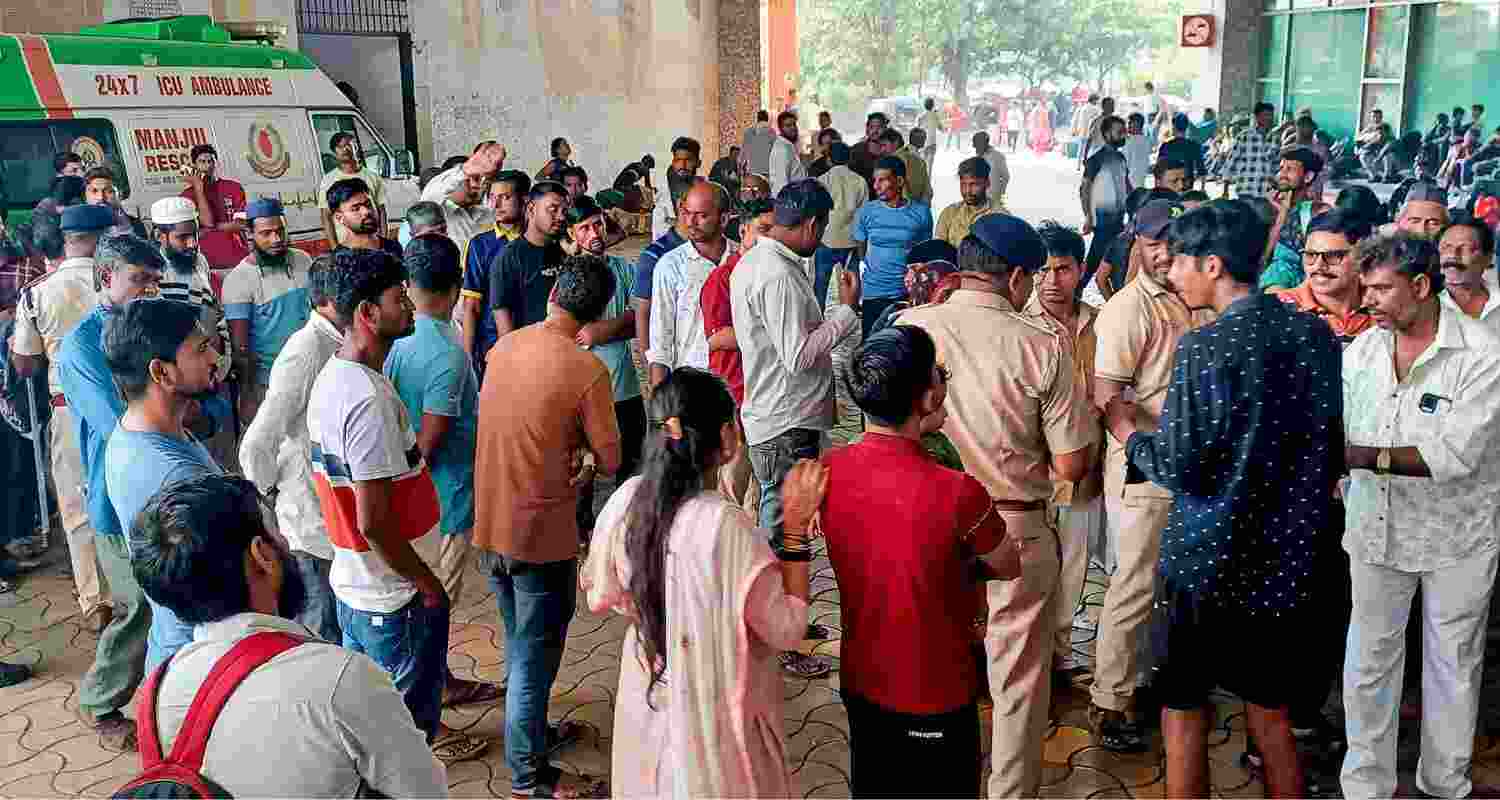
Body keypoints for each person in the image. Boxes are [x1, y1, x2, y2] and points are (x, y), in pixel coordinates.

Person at [1103, 198, 1342, 798]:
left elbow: (1184, 466)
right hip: (1288, 561)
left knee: (1183, 707)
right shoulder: (1314, 333)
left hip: (1206, 563)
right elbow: (1328, 446)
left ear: (1212, 266)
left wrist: (1129, 431)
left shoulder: (1207, 348)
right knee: (1270, 712)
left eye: (1179, 259)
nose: (1170, 269)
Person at [900, 214, 1095, 797]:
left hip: (923, 523)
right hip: (1014, 528)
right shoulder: (1042, 346)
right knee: (1018, 684)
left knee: (930, 669)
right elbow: (1070, 466)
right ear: (1015, 277)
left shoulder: (911, 327)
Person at [127, 474, 449, 797]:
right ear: (262, 555)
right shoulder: (341, 681)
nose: (284, 541)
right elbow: (425, 793)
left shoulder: (157, 691)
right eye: (274, 528)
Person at [581, 368, 817, 796]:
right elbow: (786, 628)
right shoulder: (725, 527)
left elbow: (603, 593)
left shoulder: (626, 501)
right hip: (712, 708)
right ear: (728, 438)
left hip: (649, 690)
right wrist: (795, 530)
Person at [819, 324, 1018, 796]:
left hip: (862, 678)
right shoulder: (958, 492)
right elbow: (1008, 564)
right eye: (939, 375)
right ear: (928, 398)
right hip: (937, 689)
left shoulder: (828, 471)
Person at [1340, 233, 1500, 799]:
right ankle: (1366, 785)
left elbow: (1454, 456)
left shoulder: (1482, 355)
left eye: (1382, 289)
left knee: (1453, 662)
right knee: (1369, 661)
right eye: (1367, 288)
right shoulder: (1361, 353)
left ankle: (1444, 782)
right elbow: (1341, 431)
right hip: (1375, 529)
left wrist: (1360, 458)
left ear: (1422, 286)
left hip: (1457, 534)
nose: (1369, 300)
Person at [474, 259, 621, 798]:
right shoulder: (586, 371)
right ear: (598, 312)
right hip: (539, 535)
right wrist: (580, 451)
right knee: (535, 657)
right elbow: (610, 458)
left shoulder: (503, 347)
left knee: (519, 645)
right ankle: (528, 777)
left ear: (553, 291)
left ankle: (530, 740)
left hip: (489, 525)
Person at [305, 248, 457, 753]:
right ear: (369, 314)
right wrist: (427, 583)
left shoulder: (338, 376)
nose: (410, 305)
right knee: (405, 744)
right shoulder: (365, 399)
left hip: (362, 590)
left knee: (375, 733)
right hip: (392, 601)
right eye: (399, 298)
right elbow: (373, 522)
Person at [1089, 196, 1210, 754]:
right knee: (1134, 585)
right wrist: (1149, 446)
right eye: (1156, 241)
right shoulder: (1128, 309)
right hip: (1146, 468)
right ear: (1137, 239)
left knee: (1179, 586)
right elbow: (1107, 397)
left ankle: (1159, 679)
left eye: (1174, 240)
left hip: (1195, 468)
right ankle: (1111, 699)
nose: (1166, 252)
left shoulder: (1196, 296)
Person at [731, 180, 860, 680]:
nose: (823, 237)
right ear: (810, 224)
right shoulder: (776, 275)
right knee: (784, 535)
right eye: (822, 228)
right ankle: (779, 638)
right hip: (785, 422)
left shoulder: (766, 264)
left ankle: (783, 624)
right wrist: (845, 313)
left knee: (782, 528)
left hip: (781, 417)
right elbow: (799, 354)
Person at [383, 235, 505, 722]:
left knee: (423, 603)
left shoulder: (393, 336)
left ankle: (439, 684)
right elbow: (429, 444)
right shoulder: (447, 353)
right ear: (457, 287)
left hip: (410, 495)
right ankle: (421, 712)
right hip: (443, 500)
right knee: (433, 606)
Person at [56, 232, 165, 751]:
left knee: (171, 597)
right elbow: (115, 421)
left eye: (154, 279)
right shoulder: (81, 346)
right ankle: (100, 701)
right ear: (106, 278)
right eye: (139, 279)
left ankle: (169, 698)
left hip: (161, 481)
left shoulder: (149, 328)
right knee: (136, 604)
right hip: (114, 493)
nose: (150, 289)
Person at [101, 295, 223, 673]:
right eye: (201, 349)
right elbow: (219, 586)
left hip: (179, 647)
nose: (214, 359)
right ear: (162, 372)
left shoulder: (133, 431)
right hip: (202, 660)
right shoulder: (173, 473)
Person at [10, 204, 114, 635]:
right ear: (100, 235)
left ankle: (96, 601)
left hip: (67, 409)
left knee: (77, 508)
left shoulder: (38, 292)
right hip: (123, 405)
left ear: (66, 239)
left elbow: (25, 363)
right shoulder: (118, 281)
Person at [238, 257, 343, 643]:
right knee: (321, 629)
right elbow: (257, 443)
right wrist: (270, 496)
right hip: (307, 519)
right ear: (331, 299)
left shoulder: (337, 340)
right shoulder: (306, 349)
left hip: (329, 512)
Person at [1021, 222, 1104, 678]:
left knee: (1073, 569)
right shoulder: (1020, 324)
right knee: (1030, 572)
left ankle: (1058, 655)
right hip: (1032, 473)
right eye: (1044, 271)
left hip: (1084, 471)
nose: (1053, 281)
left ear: (1081, 271)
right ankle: (1027, 655)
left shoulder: (1099, 324)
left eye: (1064, 269)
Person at [565, 200, 646, 534]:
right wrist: (619, 324)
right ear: (570, 232)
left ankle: (622, 530)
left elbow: (637, 321)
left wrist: (600, 331)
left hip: (624, 387)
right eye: (584, 227)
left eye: (597, 224)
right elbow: (564, 330)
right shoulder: (564, 275)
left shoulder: (623, 270)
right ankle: (581, 534)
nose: (593, 233)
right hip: (579, 390)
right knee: (582, 467)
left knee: (629, 463)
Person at [701, 198, 774, 513]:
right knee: (732, 478)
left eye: (775, 231)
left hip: (767, 388)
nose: (769, 239)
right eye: (763, 229)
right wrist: (772, 334)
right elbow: (716, 338)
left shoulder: (774, 273)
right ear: (743, 231)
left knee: (764, 482)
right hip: (735, 388)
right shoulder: (722, 279)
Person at [222, 198, 313, 428]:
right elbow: (241, 349)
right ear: (249, 235)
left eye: (280, 231)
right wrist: (249, 394)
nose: (277, 240)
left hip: (313, 373)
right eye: (266, 233)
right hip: (271, 385)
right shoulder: (239, 280)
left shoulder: (303, 261)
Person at [648, 182, 732, 387]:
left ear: (724, 219)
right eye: (686, 213)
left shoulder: (742, 260)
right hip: (691, 383)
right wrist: (661, 405)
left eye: (701, 216)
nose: (690, 222)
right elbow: (661, 341)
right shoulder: (671, 265)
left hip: (738, 379)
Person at [853, 156, 934, 339]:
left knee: (902, 347)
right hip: (873, 292)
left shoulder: (921, 213)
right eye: (875, 181)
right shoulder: (867, 211)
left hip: (905, 293)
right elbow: (861, 243)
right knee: (871, 343)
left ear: (899, 181)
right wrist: (865, 268)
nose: (876, 186)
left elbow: (924, 253)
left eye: (882, 180)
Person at [1272, 209, 1376, 344]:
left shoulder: (1383, 308)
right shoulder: (1278, 311)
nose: (1319, 265)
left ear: (1363, 258)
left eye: (1333, 256)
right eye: (1311, 255)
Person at [461, 170, 527, 378]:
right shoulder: (479, 245)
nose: (496, 205)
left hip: (534, 342)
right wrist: (468, 356)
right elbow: (471, 306)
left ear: (525, 200)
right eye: (492, 198)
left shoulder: (539, 241)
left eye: (505, 197)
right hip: (491, 346)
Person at [491, 180, 568, 340]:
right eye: (553, 209)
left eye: (565, 211)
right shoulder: (510, 256)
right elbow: (502, 315)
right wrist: (513, 357)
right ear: (532, 209)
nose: (561, 217)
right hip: (529, 351)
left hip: (564, 348)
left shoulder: (565, 251)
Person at [1259, 146, 1331, 292]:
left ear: (1307, 177)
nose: (1281, 174)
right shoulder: (1273, 206)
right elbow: (1265, 257)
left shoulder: (1317, 211)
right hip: (1271, 279)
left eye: (1289, 169)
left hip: (1296, 285)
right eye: (1281, 168)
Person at [1081, 115, 1131, 292]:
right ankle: (1076, 293)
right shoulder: (1095, 160)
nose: (1123, 135)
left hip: (1118, 221)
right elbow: (1084, 190)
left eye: (1124, 131)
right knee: (1095, 261)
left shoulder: (1121, 159)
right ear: (1107, 133)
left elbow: (1126, 185)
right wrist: (1088, 216)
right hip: (1103, 221)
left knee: (1114, 262)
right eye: (1119, 132)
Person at [814, 142, 867, 309]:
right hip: (851, 242)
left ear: (828, 160)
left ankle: (818, 317)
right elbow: (862, 216)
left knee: (821, 284)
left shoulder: (821, 181)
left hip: (825, 239)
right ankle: (850, 314)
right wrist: (861, 245)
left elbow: (816, 213)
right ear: (849, 159)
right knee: (852, 282)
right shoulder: (860, 181)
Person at [179, 144, 249, 269]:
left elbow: (242, 224)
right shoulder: (186, 196)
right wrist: (199, 188)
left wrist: (208, 229)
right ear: (194, 165)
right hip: (206, 263)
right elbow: (207, 222)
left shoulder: (234, 187)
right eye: (202, 162)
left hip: (238, 258)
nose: (208, 165)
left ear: (216, 163)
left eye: (211, 161)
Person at [319, 132, 387, 247]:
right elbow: (326, 216)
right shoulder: (328, 180)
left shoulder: (373, 177)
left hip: (373, 244)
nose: (345, 149)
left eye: (349, 145)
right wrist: (334, 246)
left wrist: (383, 241)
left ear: (357, 147)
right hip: (346, 245)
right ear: (334, 152)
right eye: (340, 147)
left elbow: (381, 211)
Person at [1438, 215, 1500, 332]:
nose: (1453, 254)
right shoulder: (1422, 304)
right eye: (1446, 247)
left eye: (1466, 248)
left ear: (1488, 258)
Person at [1215, 102, 1279, 199]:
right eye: (1266, 115)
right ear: (1257, 117)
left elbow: (1276, 165)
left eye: (1271, 115)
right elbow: (1230, 163)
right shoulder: (1244, 136)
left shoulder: (1276, 139)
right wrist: (1225, 190)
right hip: (1246, 190)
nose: (1269, 118)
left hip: (1266, 193)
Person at [328, 178, 403, 260]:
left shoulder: (393, 249)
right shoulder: (337, 261)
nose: (366, 211)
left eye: (368, 204)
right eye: (356, 208)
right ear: (340, 217)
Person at [936, 157, 1001, 248]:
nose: (967, 191)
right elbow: (938, 251)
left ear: (987, 183)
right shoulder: (949, 213)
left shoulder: (1000, 217)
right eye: (963, 184)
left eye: (974, 184)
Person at [653, 137, 702, 240]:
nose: (682, 166)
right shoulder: (664, 197)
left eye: (688, 160)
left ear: (698, 163)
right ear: (673, 162)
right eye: (678, 160)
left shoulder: (704, 189)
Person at [884, 129, 933, 206]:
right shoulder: (912, 158)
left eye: (884, 145)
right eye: (923, 138)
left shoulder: (899, 157)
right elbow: (927, 191)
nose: (924, 141)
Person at [1159, 114, 1206, 186]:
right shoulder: (1194, 146)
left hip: (1170, 184)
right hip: (1187, 184)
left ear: (1174, 127)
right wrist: (1202, 188)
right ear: (1187, 127)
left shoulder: (1166, 146)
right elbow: (1201, 169)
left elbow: (1159, 169)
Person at [850, 112, 890, 196]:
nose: (875, 131)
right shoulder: (856, 150)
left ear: (886, 129)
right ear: (867, 129)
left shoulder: (891, 151)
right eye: (872, 127)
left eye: (879, 127)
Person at [768, 111, 807, 195]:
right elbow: (781, 181)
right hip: (788, 201)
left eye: (794, 124)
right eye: (788, 125)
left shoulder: (788, 145)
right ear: (780, 128)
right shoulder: (782, 148)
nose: (793, 128)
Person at [740, 111, 777, 187]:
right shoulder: (772, 132)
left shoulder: (749, 131)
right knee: (766, 193)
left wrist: (741, 165)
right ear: (767, 119)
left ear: (757, 119)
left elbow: (743, 152)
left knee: (753, 193)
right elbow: (775, 152)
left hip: (753, 170)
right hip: (768, 170)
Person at [973, 131, 1011, 202]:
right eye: (975, 147)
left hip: (993, 197)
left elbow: (1006, 176)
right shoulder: (977, 158)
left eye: (978, 146)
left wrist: (1001, 193)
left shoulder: (997, 157)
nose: (976, 150)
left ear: (984, 144)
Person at [1357, 109, 1395, 181]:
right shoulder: (1369, 127)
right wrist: (1360, 149)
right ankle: (1373, 175)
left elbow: (1389, 144)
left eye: (1377, 117)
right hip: (1373, 153)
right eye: (1373, 117)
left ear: (1381, 117)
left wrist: (1379, 157)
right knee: (1362, 156)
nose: (1375, 119)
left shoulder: (1386, 127)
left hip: (1385, 155)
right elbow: (1359, 139)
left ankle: (1387, 176)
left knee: (1388, 156)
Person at [1123, 113, 1154, 188]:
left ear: (1136, 124)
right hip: (1141, 180)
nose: (1128, 126)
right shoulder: (1147, 141)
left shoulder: (1128, 141)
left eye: (1130, 123)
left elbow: (1125, 163)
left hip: (1129, 181)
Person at [917, 97, 944, 173]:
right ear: (933, 105)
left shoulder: (921, 116)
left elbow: (916, 129)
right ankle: (928, 182)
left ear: (924, 105)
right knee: (930, 167)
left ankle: (923, 182)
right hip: (932, 143)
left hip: (922, 143)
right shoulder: (935, 115)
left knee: (923, 165)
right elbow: (941, 128)